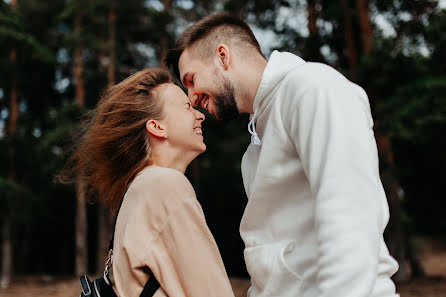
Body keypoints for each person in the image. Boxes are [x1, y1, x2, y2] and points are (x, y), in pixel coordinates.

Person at [165, 12, 399, 297]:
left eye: (190, 80)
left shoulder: (312, 87)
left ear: (222, 57)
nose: (191, 98)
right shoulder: (253, 152)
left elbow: (350, 216)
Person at [59, 68, 235, 297]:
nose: (200, 115)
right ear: (156, 127)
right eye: (186, 107)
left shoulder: (141, 187)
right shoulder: (165, 185)